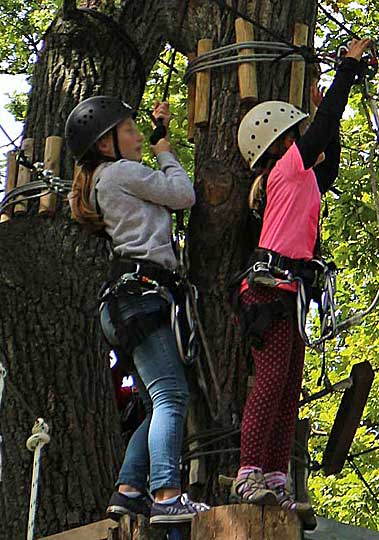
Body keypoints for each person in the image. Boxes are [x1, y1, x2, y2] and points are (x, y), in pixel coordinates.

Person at [230, 37, 373, 510]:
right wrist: (346, 69)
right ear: (285, 142)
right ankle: (248, 472)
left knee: (290, 388)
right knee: (271, 384)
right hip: (269, 292)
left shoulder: (303, 176)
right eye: (301, 132)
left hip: (289, 292)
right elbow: (325, 126)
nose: (308, 137)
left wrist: (323, 111)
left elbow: (328, 157)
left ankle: (274, 476)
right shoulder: (284, 171)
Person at [66, 97, 209, 524]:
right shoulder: (122, 173)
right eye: (128, 131)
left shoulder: (105, 179)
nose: (138, 138)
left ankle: (129, 490)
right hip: (141, 298)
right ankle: (166, 493)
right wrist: (166, 152)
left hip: (126, 303)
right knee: (172, 395)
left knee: (154, 402)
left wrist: (160, 131)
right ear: (106, 144)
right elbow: (183, 195)